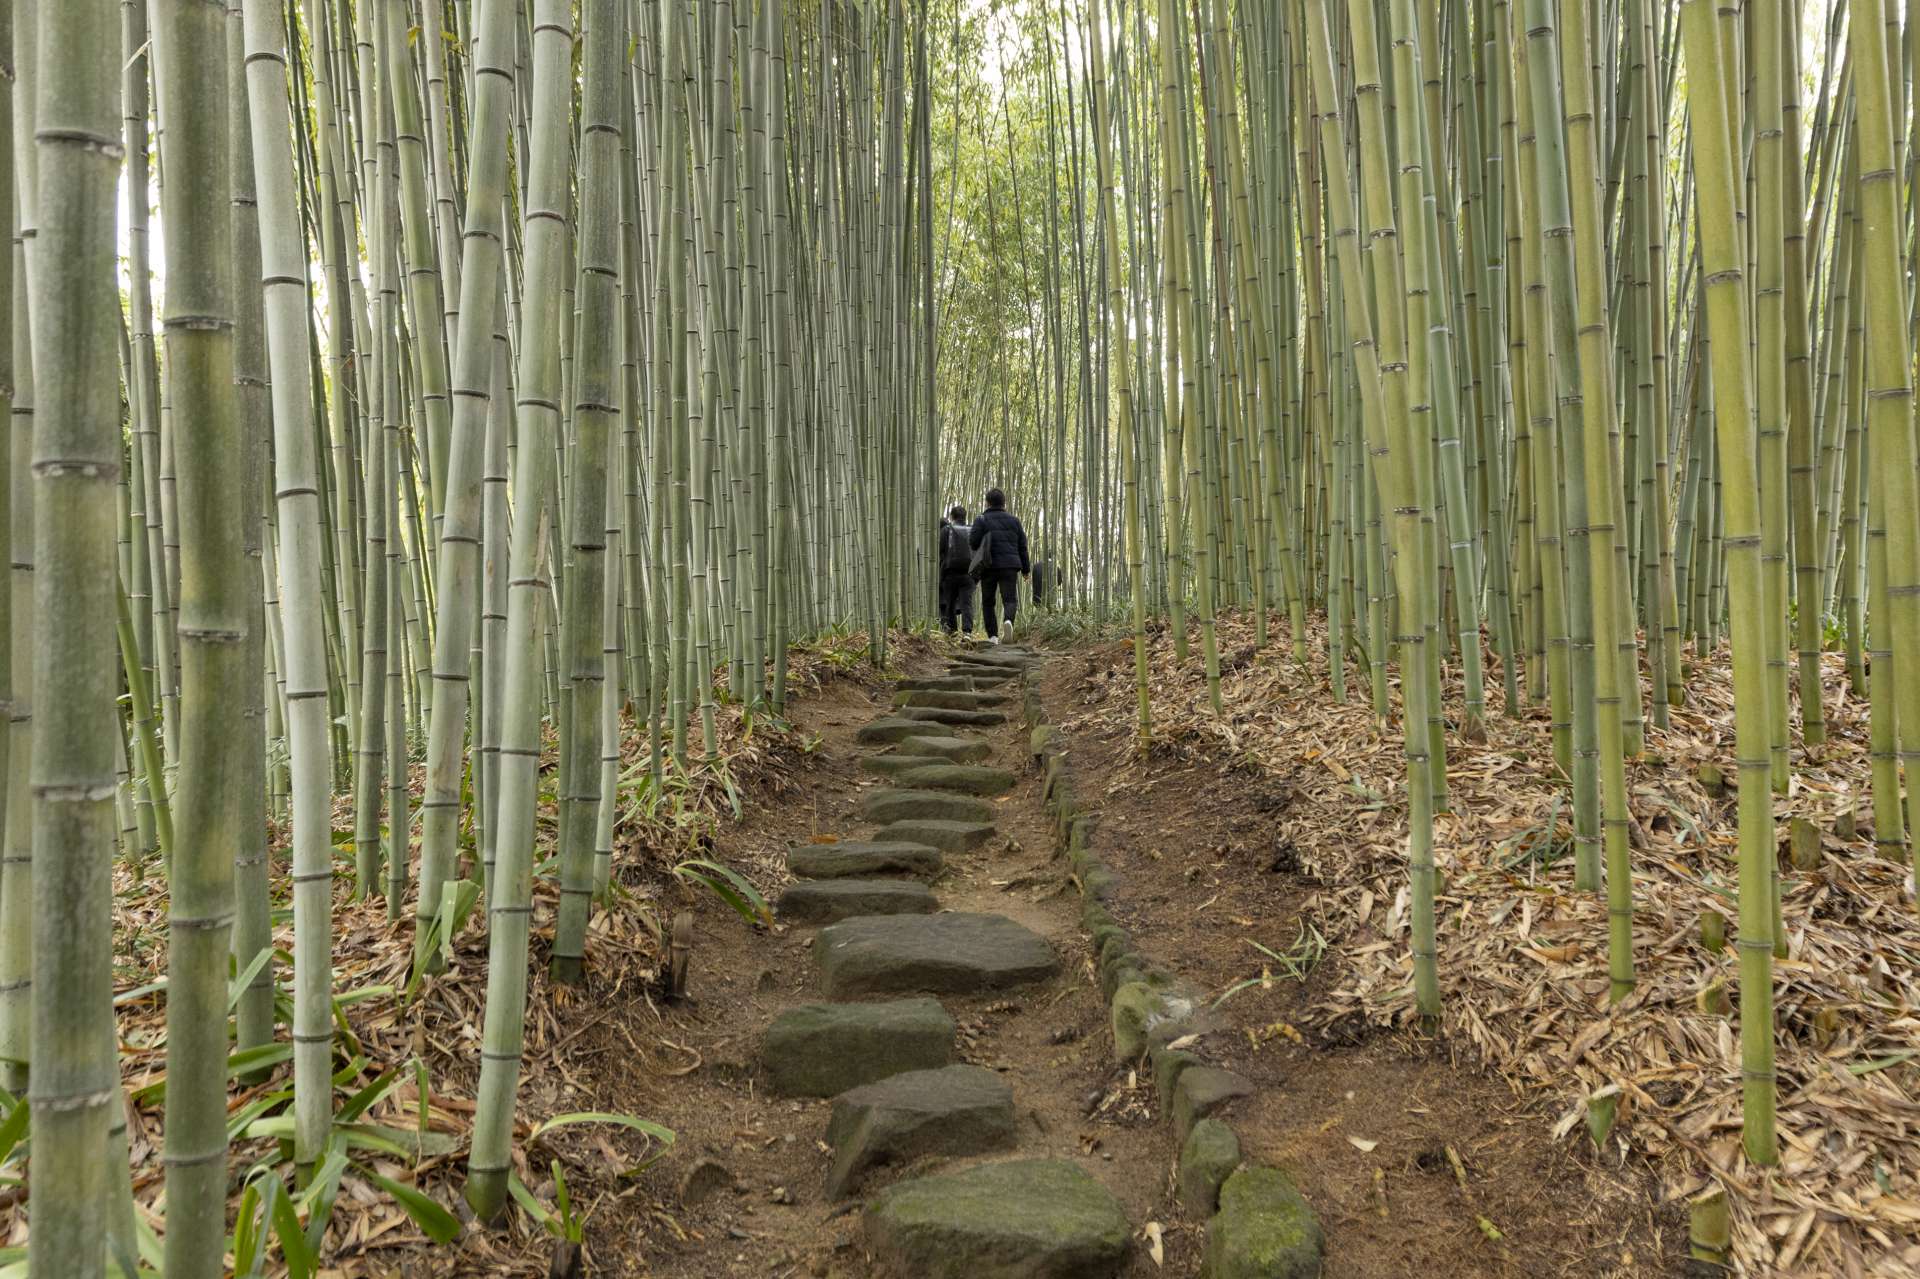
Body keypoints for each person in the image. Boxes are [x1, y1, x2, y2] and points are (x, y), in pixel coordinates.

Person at [968, 487, 1030, 643]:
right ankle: (1008, 621)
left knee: (988, 602)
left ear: (987, 503)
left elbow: (973, 543)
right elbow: (1022, 546)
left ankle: (993, 636)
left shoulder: (981, 519)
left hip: (988, 566)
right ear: (1004, 503)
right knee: (1009, 599)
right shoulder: (1014, 521)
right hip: (1010, 565)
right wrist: (1026, 570)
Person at [937, 505, 976, 636]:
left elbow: (941, 552)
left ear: (952, 517)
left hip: (950, 572)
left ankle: (952, 631)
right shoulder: (973, 530)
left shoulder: (946, 530)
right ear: (965, 517)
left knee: (950, 602)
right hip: (969, 573)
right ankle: (967, 632)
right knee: (966, 603)